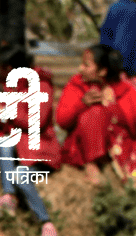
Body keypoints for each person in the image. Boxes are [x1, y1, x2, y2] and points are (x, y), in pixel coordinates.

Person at [0, 44, 59, 236]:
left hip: (40, 150)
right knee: (4, 143)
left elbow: (36, 121)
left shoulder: (41, 86)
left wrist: (4, 111)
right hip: (22, 146)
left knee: (20, 175)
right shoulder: (13, 85)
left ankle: (46, 222)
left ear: (8, 68)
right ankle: (8, 197)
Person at [55, 43, 136, 182]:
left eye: (86, 65)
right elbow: (62, 121)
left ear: (103, 71)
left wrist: (113, 106)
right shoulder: (76, 85)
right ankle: (92, 166)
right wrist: (82, 104)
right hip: (82, 148)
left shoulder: (125, 89)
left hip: (119, 144)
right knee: (94, 111)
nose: (80, 68)